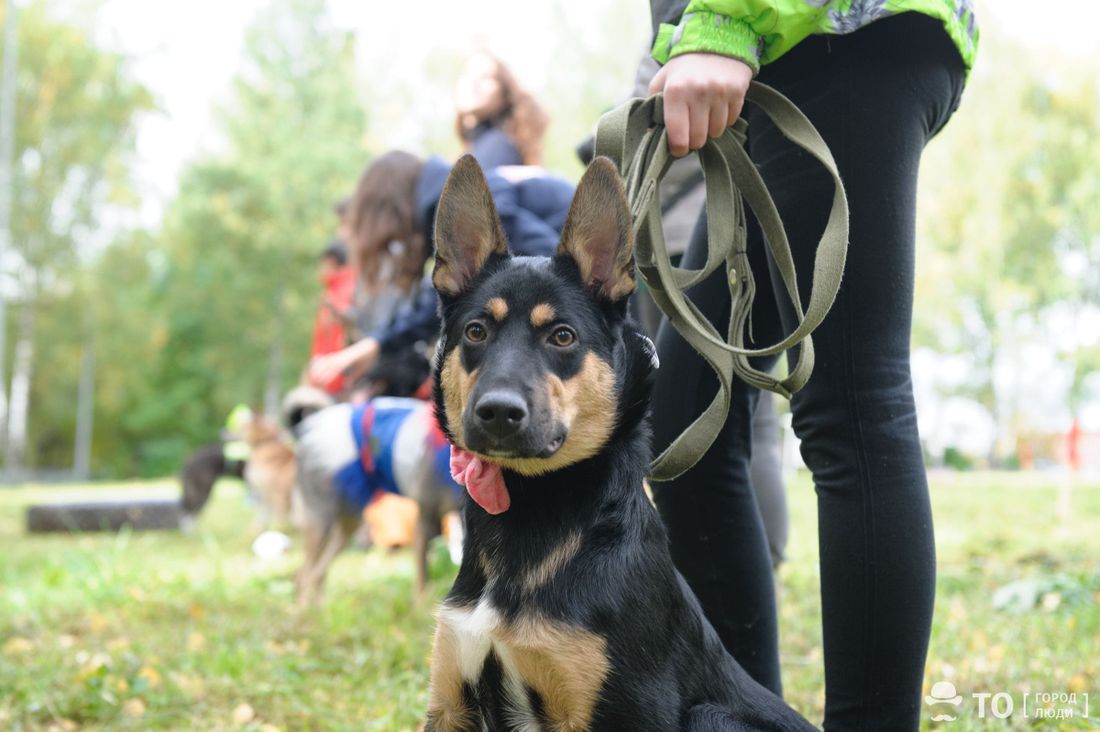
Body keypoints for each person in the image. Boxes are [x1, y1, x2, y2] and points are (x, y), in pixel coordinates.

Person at [644, 2, 976, 729]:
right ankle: (746, 719)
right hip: (783, 50)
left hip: (834, 34)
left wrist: (724, 22)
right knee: (686, 420)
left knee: (854, 406)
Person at [307, 150, 574, 388]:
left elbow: (557, 264)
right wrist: (376, 344)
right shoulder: (460, 204)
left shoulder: (472, 205)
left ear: (387, 206)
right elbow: (439, 303)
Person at [454, 52, 549, 168]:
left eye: (485, 77)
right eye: (467, 75)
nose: (474, 83)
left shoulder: (497, 146)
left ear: (504, 95)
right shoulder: (476, 147)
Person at [308, 239, 357, 395]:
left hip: (337, 380)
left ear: (331, 261)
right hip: (326, 374)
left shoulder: (346, 288)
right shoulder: (332, 290)